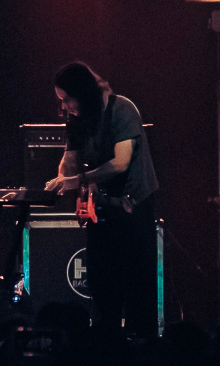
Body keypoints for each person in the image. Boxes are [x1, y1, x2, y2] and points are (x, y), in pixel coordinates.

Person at [43, 60, 160, 339]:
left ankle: (142, 349)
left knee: (136, 287)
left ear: (83, 93)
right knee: (102, 285)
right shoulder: (78, 120)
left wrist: (76, 181)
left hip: (133, 208)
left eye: (67, 99)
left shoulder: (122, 109)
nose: (65, 106)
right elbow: (70, 162)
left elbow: (120, 163)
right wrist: (59, 178)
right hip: (104, 211)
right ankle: (107, 349)